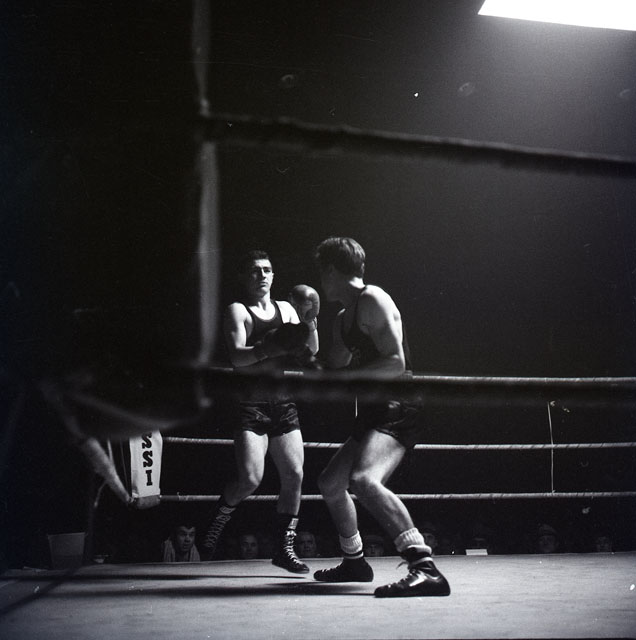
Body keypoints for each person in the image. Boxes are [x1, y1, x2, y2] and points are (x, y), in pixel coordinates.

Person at [312, 237, 450, 597]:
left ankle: (424, 566)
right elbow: (333, 367)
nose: (320, 281)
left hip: (398, 403)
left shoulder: (373, 299)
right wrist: (305, 339)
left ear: (330, 270)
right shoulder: (342, 319)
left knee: (364, 480)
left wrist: (345, 376)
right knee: (330, 483)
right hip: (375, 408)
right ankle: (354, 561)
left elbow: (395, 362)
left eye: (321, 272)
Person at [200, 250, 319, 574]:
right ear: (244, 277)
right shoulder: (237, 310)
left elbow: (311, 351)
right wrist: (270, 347)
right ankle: (217, 520)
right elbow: (238, 358)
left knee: (295, 475)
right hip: (250, 402)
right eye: (255, 271)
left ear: (273, 276)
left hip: (283, 401)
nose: (262, 276)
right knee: (250, 480)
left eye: (267, 270)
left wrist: (311, 322)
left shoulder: (287, 310)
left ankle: (284, 548)